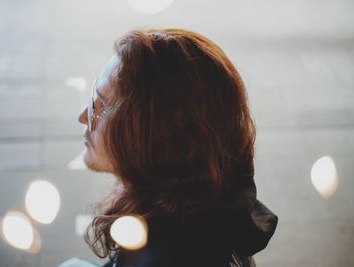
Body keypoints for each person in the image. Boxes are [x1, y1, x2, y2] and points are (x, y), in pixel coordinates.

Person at [78, 28, 278, 267]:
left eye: (101, 108)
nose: (83, 117)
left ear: (154, 136)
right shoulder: (215, 206)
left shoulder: (164, 257)